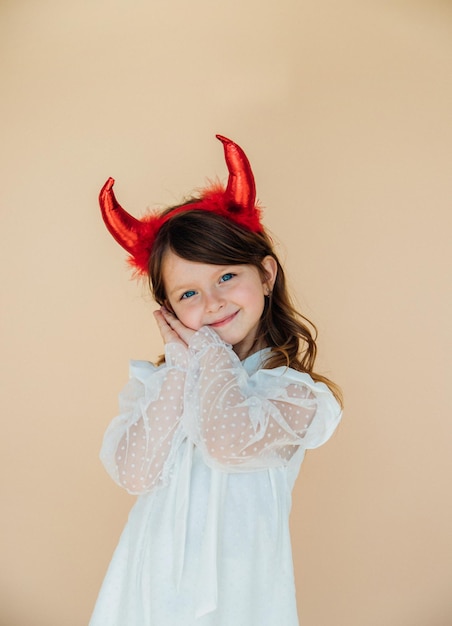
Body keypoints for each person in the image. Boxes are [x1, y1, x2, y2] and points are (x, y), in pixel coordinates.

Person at [89, 134, 342, 626]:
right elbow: (133, 474)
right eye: (188, 294)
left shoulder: (294, 393)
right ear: (168, 310)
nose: (210, 304)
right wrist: (181, 369)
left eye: (226, 277)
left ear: (266, 274)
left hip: (240, 595)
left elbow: (227, 441)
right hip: (145, 591)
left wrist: (201, 346)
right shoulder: (160, 386)